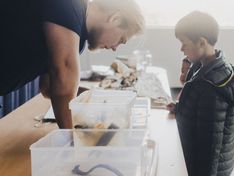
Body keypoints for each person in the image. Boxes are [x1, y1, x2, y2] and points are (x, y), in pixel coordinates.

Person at [0, 0, 145, 128]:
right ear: (116, 18)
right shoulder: (69, 5)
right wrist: (77, 142)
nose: (114, 48)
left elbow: (49, 88)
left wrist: (102, 100)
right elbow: (63, 86)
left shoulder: (77, 35)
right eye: (121, 39)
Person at [167, 11, 234, 176]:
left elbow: (209, 146)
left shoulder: (211, 87)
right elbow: (199, 110)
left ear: (202, 42)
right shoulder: (202, 66)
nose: (181, 49)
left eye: (184, 43)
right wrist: (180, 108)